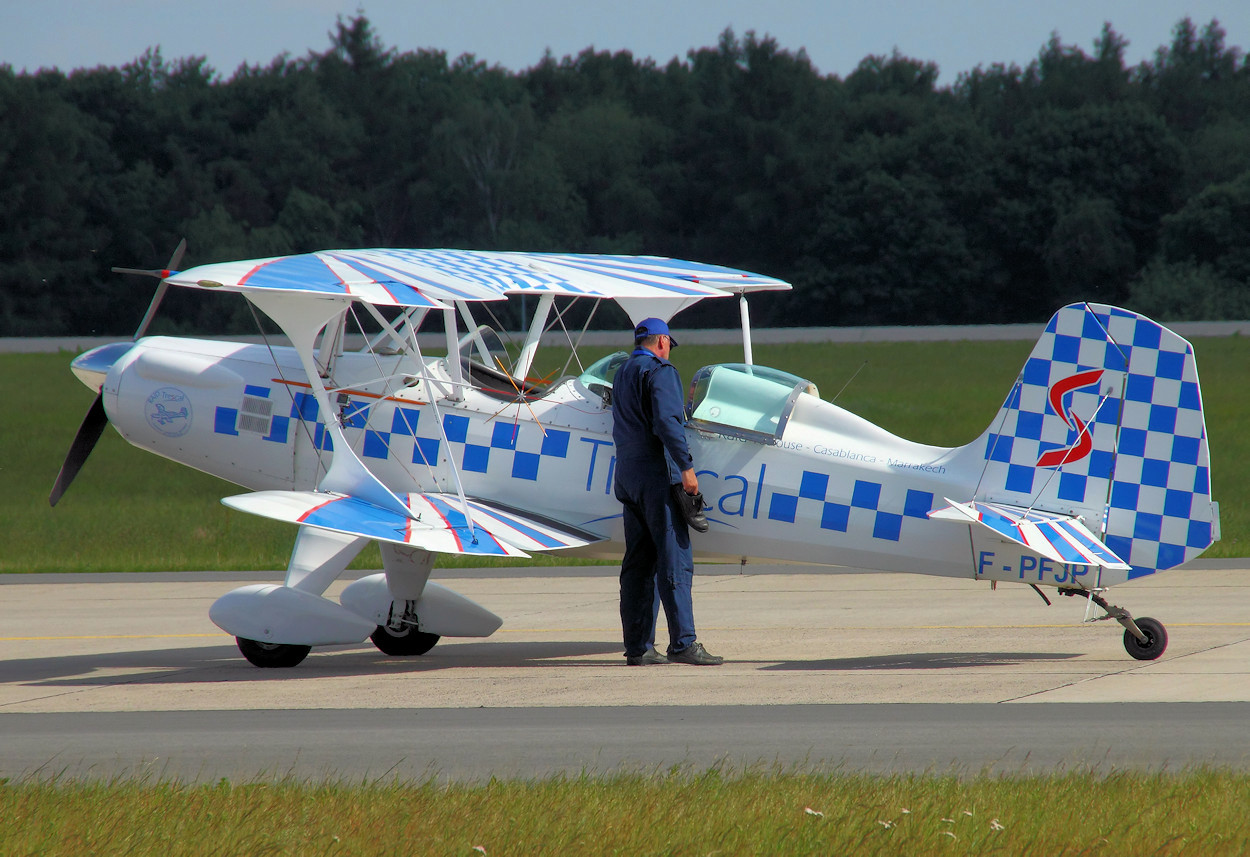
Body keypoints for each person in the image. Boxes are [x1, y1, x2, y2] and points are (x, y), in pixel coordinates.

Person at [611, 317, 723, 666]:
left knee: (639, 563)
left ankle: (638, 647)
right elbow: (667, 423)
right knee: (674, 559)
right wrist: (687, 469)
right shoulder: (660, 372)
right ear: (662, 341)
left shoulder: (623, 372)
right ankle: (683, 643)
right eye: (668, 344)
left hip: (627, 475)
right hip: (657, 476)